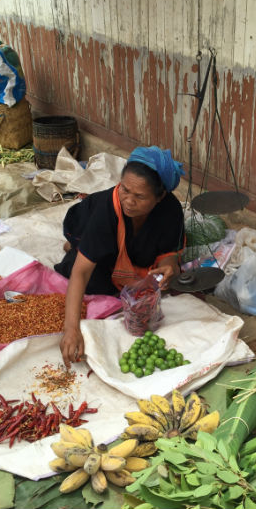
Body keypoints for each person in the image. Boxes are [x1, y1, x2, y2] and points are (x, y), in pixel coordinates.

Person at [57, 146, 185, 367]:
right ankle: (76, 246)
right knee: (93, 280)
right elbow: (81, 272)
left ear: (160, 196)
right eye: (124, 189)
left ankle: (96, 250)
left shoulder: (170, 210)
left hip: (131, 242)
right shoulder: (107, 211)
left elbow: (169, 256)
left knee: (152, 271)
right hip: (84, 222)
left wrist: (168, 267)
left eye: (140, 196)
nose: (128, 201)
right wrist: (71, 329)